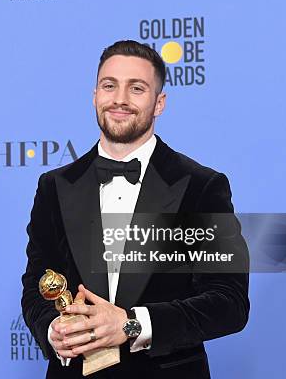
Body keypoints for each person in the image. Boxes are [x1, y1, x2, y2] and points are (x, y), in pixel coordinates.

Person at [21, 40, 249, 379]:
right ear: (95, 95)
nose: (119, 99)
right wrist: (53, 329)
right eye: (109, 85)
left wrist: (132, 324)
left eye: (137, 88)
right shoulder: (54, 186)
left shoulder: (201, 186)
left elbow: (229, 302)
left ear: (159, 103)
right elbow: (37, 286)